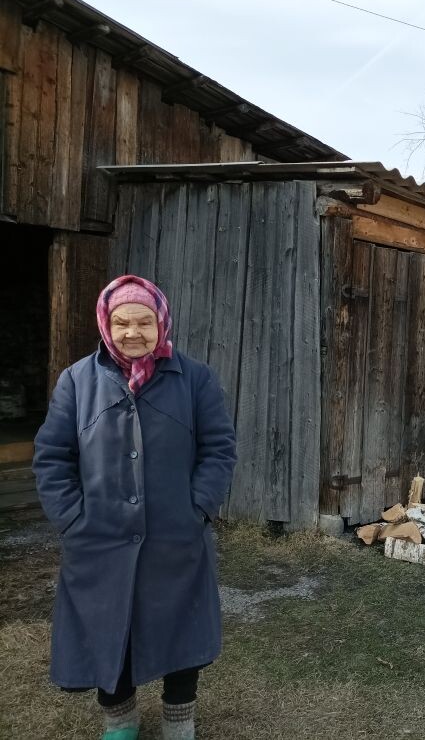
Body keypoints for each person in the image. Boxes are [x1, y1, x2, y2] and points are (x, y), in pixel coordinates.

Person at [33, 275, 237, 740]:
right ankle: (120, 724)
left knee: (181, 630)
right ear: (106, 324)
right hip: (99, 538)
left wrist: (199, 508)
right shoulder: (77, 381)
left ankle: (178, 722)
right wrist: (71, 519)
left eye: (144, 322)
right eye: (122, 322)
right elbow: (52, 455)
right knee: (110, 631)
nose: (133, 333)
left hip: (176, 535)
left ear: (161, 323)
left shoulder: (196, 379)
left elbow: (219, 449)